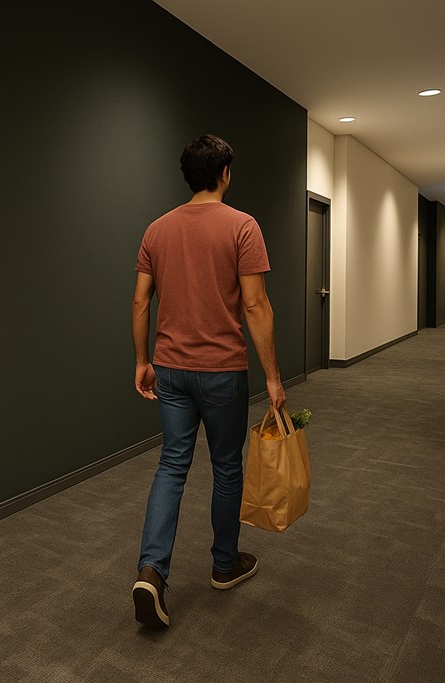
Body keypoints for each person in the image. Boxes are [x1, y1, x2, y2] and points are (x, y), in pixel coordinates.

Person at [130, 134, 285, 628]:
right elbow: (256, 304)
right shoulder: (242, 226)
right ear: (225, 174)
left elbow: (139, 301)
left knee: (171, 466)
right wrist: (275, 379)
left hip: (171, 369)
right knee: (225, 467)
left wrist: (141, 360)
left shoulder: (156, 230)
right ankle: (224, 564)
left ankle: (152, 571)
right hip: (221, 372)